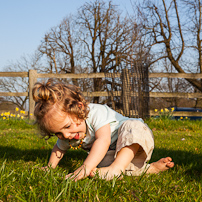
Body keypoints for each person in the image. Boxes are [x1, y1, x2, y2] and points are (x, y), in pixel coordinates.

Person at [32, 79, 174, 181]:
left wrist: (86, 167)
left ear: (79, 108)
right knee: (102, 167)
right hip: (119, 156)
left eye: (67, 127)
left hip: (136, 140)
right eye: (58, 133)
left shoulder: (95, 113)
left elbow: (103, 140)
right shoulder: (68, 136)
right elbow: (58, 148)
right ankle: (151, 169)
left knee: (132, 125)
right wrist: (50, 167)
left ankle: (115, 169)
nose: (66, 135)